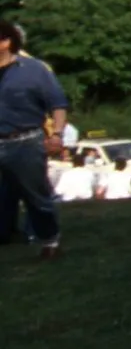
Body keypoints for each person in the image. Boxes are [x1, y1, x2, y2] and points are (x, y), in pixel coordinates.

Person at [0, 19, 67, 257]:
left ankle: (49, 240)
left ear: (6, 42)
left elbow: (58, 104)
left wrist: (57, 134)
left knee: (36, 196)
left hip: (24, 141)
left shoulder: (35, 70)